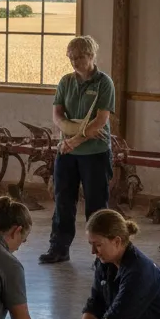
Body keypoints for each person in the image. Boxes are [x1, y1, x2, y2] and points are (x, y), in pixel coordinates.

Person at [40, 35, 116, 264]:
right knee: (63, 201)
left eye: (80, 57)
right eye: (71, 57)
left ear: (91, 56)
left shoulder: (104, 83)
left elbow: (100, 122)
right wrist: (69, 132)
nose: (75, 61)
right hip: (67, 152)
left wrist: (73, 140)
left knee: (96, 205)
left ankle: (102, 254)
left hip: (94, 153)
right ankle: (59, 248)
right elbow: (57, 115)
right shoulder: (65, 82)